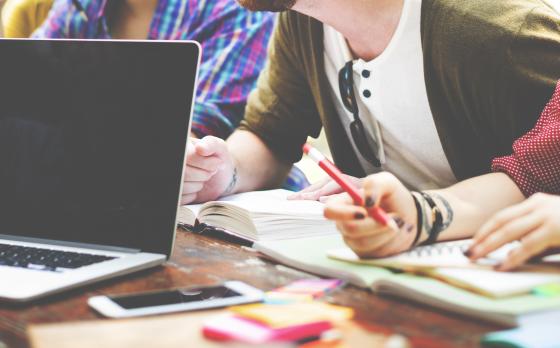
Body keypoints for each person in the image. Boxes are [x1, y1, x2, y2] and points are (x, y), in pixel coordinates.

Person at [184, 0, 560, 257]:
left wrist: (419, 213)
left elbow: (542, 176)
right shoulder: (304, 21)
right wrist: (224, 172)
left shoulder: (494, 32)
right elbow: (269, 135)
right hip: (397, 264)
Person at [29, 0, 309, 191]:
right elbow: (23, 90)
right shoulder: (79, 7)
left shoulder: (236, 8)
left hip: (227, 215)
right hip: (98, 196)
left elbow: (186, 139)